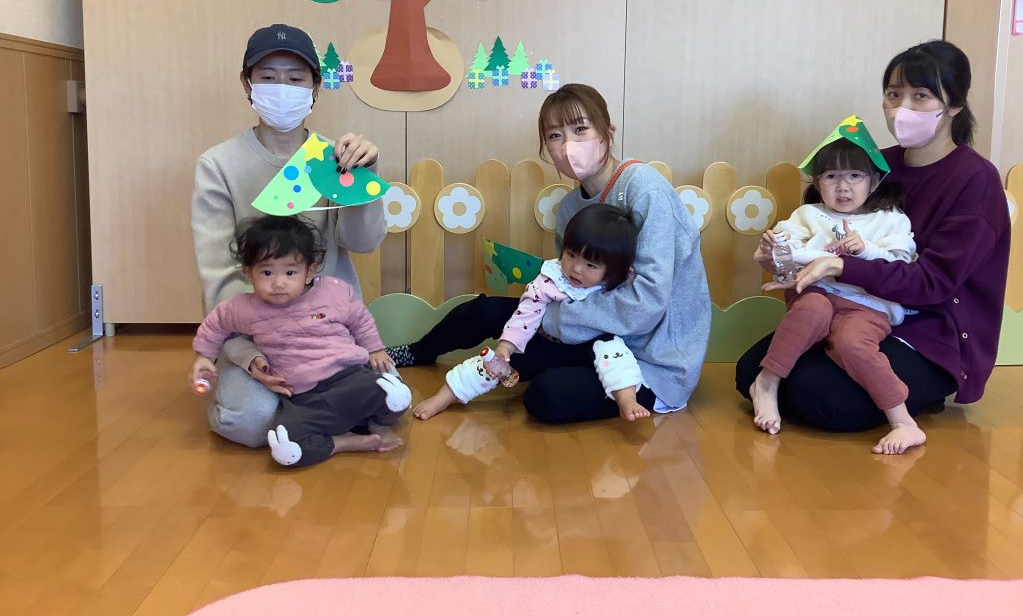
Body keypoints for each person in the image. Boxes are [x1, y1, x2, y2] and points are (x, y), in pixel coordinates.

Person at [736, 40, 1011, 453]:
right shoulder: (875, 164)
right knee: (748, 371)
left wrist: (841, 266)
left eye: (921, 96)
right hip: (853, 308)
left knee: (826, 400)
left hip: (930, 331)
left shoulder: (976, 179)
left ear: (955, 104)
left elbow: (934, 283)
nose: (902, 108)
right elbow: (818, 226)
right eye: (893, 94)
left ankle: (917, 397)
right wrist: (779, 257)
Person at [387, 83, 712, 424]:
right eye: (555, 136)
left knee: (547, 396)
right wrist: (542, 313)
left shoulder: (644, 189)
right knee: (483, 312)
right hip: (586, 331)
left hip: (649, 358)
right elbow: (569, 285)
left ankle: (559, 373)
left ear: (607, 132)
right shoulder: (570, 207)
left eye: (580, 129)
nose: (568, 146)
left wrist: (555, 321)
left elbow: (647, 303)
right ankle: (416, 352)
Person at [190, 24, 387, 448]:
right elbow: (219, 276)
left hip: (326, 335)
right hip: (257, 336)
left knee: (385, 403)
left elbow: (364, 242)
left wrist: (365, 178)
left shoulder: (335, 157)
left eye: (296, 78)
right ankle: (309, 418)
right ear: (247, 83)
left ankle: (309, 419)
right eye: (268, 76)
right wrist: (248, 356)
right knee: (248, 423)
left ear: (315, 87)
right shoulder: (217, 164)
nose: (282, 88)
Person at [748, 122, 920, 453]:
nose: (842, 186)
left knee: (853, 343)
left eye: (854, 176)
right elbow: (784, 256)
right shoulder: (808, 215)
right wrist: (774, 251)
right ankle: (766, 383)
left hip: (867, 306)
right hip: (818, 293)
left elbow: (902, 263)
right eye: (831, 176)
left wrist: (865, 250)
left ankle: (903, 422)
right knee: (813, 308)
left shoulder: (890, 218)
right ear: (817, 182)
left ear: (874, 181)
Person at [192, 215, 411, 467]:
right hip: (303, 398)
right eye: (266, 272)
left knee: (393, 393)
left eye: (290, 272)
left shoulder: (333, 292)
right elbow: (215, 324)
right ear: (249, 274)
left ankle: (378, 426)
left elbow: (361, 319)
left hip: (349, 378)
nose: (278, 283)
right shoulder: (243, 308)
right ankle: (344, 442)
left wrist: (375, 349)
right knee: (287, 449)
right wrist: (204, 357)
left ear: (310, 271)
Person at [413, 204, 651, 421]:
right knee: (493, 365)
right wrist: (506, 347)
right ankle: (445, 396)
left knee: (615, 351)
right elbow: (525, 315)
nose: (576, 269)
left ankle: (626, 398)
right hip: (548, 342)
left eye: (590, 265)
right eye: (570, 255)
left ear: (611, 270)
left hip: (590, 349)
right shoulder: (551, 280)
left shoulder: (618, 282)